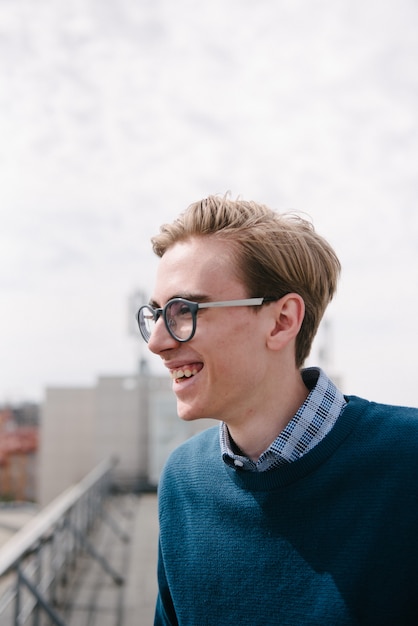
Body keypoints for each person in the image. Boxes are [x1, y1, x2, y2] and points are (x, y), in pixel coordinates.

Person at [137, 195, 418, 626]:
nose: (157, 341)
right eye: (156, 314)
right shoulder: (183, 480)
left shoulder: (407, 461)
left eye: (183, 311)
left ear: (283, 320)